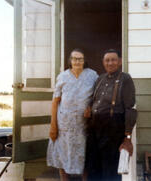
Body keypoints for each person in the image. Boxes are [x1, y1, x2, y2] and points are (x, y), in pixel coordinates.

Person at [47, 49, 98, 181]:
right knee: (63, 154)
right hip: (65, 124)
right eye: (74, 59)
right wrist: (53, 126)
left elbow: (98, 97)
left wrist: (91, 108)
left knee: (84, 154)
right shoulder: (62, 77)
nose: (77, 61)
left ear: (84, 61)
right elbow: (55, 101)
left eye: (80, 59)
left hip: (83, 124)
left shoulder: (92, 75)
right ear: (70, 61)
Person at [86, 49, 137, 181]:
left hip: (113, 131)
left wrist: (127, 138)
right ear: (103, 63)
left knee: (110, 171)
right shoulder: (100, 79)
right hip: (95, 130)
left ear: (119, 62)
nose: (110, 63)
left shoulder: (125, 79)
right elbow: (95, 101)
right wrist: (89, 109)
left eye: (113, 60)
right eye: (107, 60)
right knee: (93, 168)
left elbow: (130, 109)